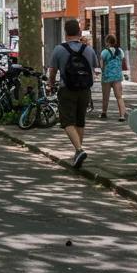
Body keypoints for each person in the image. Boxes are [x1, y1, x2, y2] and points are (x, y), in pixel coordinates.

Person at [47, 18, 98, 169]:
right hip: (84, 90)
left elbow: (52, 70)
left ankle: (79, 149)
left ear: (65, 33)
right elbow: (94, 69)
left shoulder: (59, 49)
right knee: (80, 120)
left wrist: (50, 83)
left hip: (67, 89)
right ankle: (78, 152)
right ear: (79, 32)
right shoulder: (88, 49)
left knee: (67, 121)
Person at [99, 34, 127, 121]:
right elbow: (122, 62)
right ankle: (122, 116)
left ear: (107, 42)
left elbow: (102, 65)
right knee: (119, 97)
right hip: (117, 77)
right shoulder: (120, 51)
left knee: (105, 96)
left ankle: (104, 113)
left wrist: (103, 71)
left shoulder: (104, 52)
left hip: (107, 77)